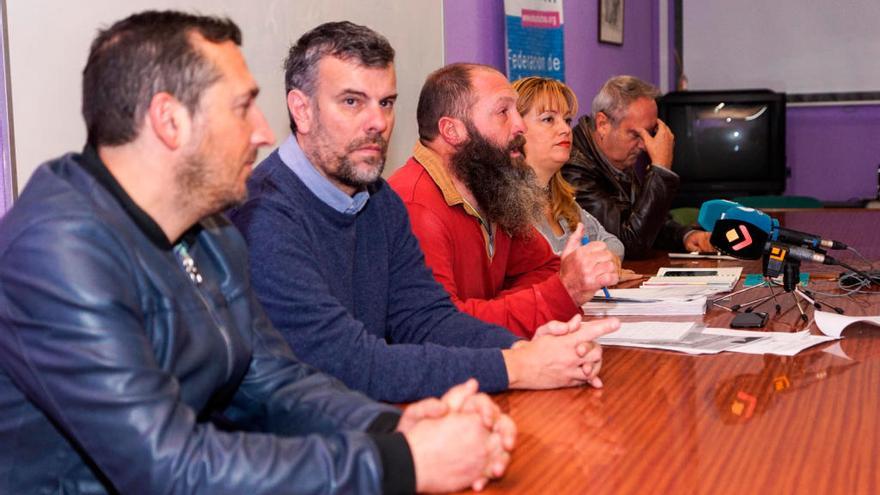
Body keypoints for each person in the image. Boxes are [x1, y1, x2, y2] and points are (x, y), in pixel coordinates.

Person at [0, 11, 517, 494]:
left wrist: (394, 425)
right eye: (242, 107)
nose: (264, 132)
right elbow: (167, 467)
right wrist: (401, 463)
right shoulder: (56, 253)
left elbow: (272, 382)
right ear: (169, 120)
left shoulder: (210, 231)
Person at [230, 22, 618, 404]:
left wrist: (530, 348)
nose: (378, 123)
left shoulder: (379, 201)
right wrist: (516, 366)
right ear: (301, 109)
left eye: (385, 103)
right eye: (352, 101)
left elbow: (427, 321)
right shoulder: (265, 215)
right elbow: (344, 362)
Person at [388, 63, 619, 337]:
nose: (519, 125)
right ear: (452, 131)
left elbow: (544, 268)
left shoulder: (488, 184)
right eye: (503, 112)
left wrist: (491, 309)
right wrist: (556, 295)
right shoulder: (414, 207)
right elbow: (438, 329)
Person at [561, 75, 713, 259]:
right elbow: (628, 244)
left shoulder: (615, 156)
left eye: (649, 134)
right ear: (602, 124)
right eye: (635, 135)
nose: (644, 146)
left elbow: (643, 221)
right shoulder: (572, 168)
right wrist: (660, 171)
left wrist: (685, 236)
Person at [512, 76, 625, 260]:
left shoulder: (563, 200)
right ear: (516, 130)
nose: (565, 129)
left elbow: (614, 244)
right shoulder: (506, 205)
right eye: (548, 119)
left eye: (567, 120)